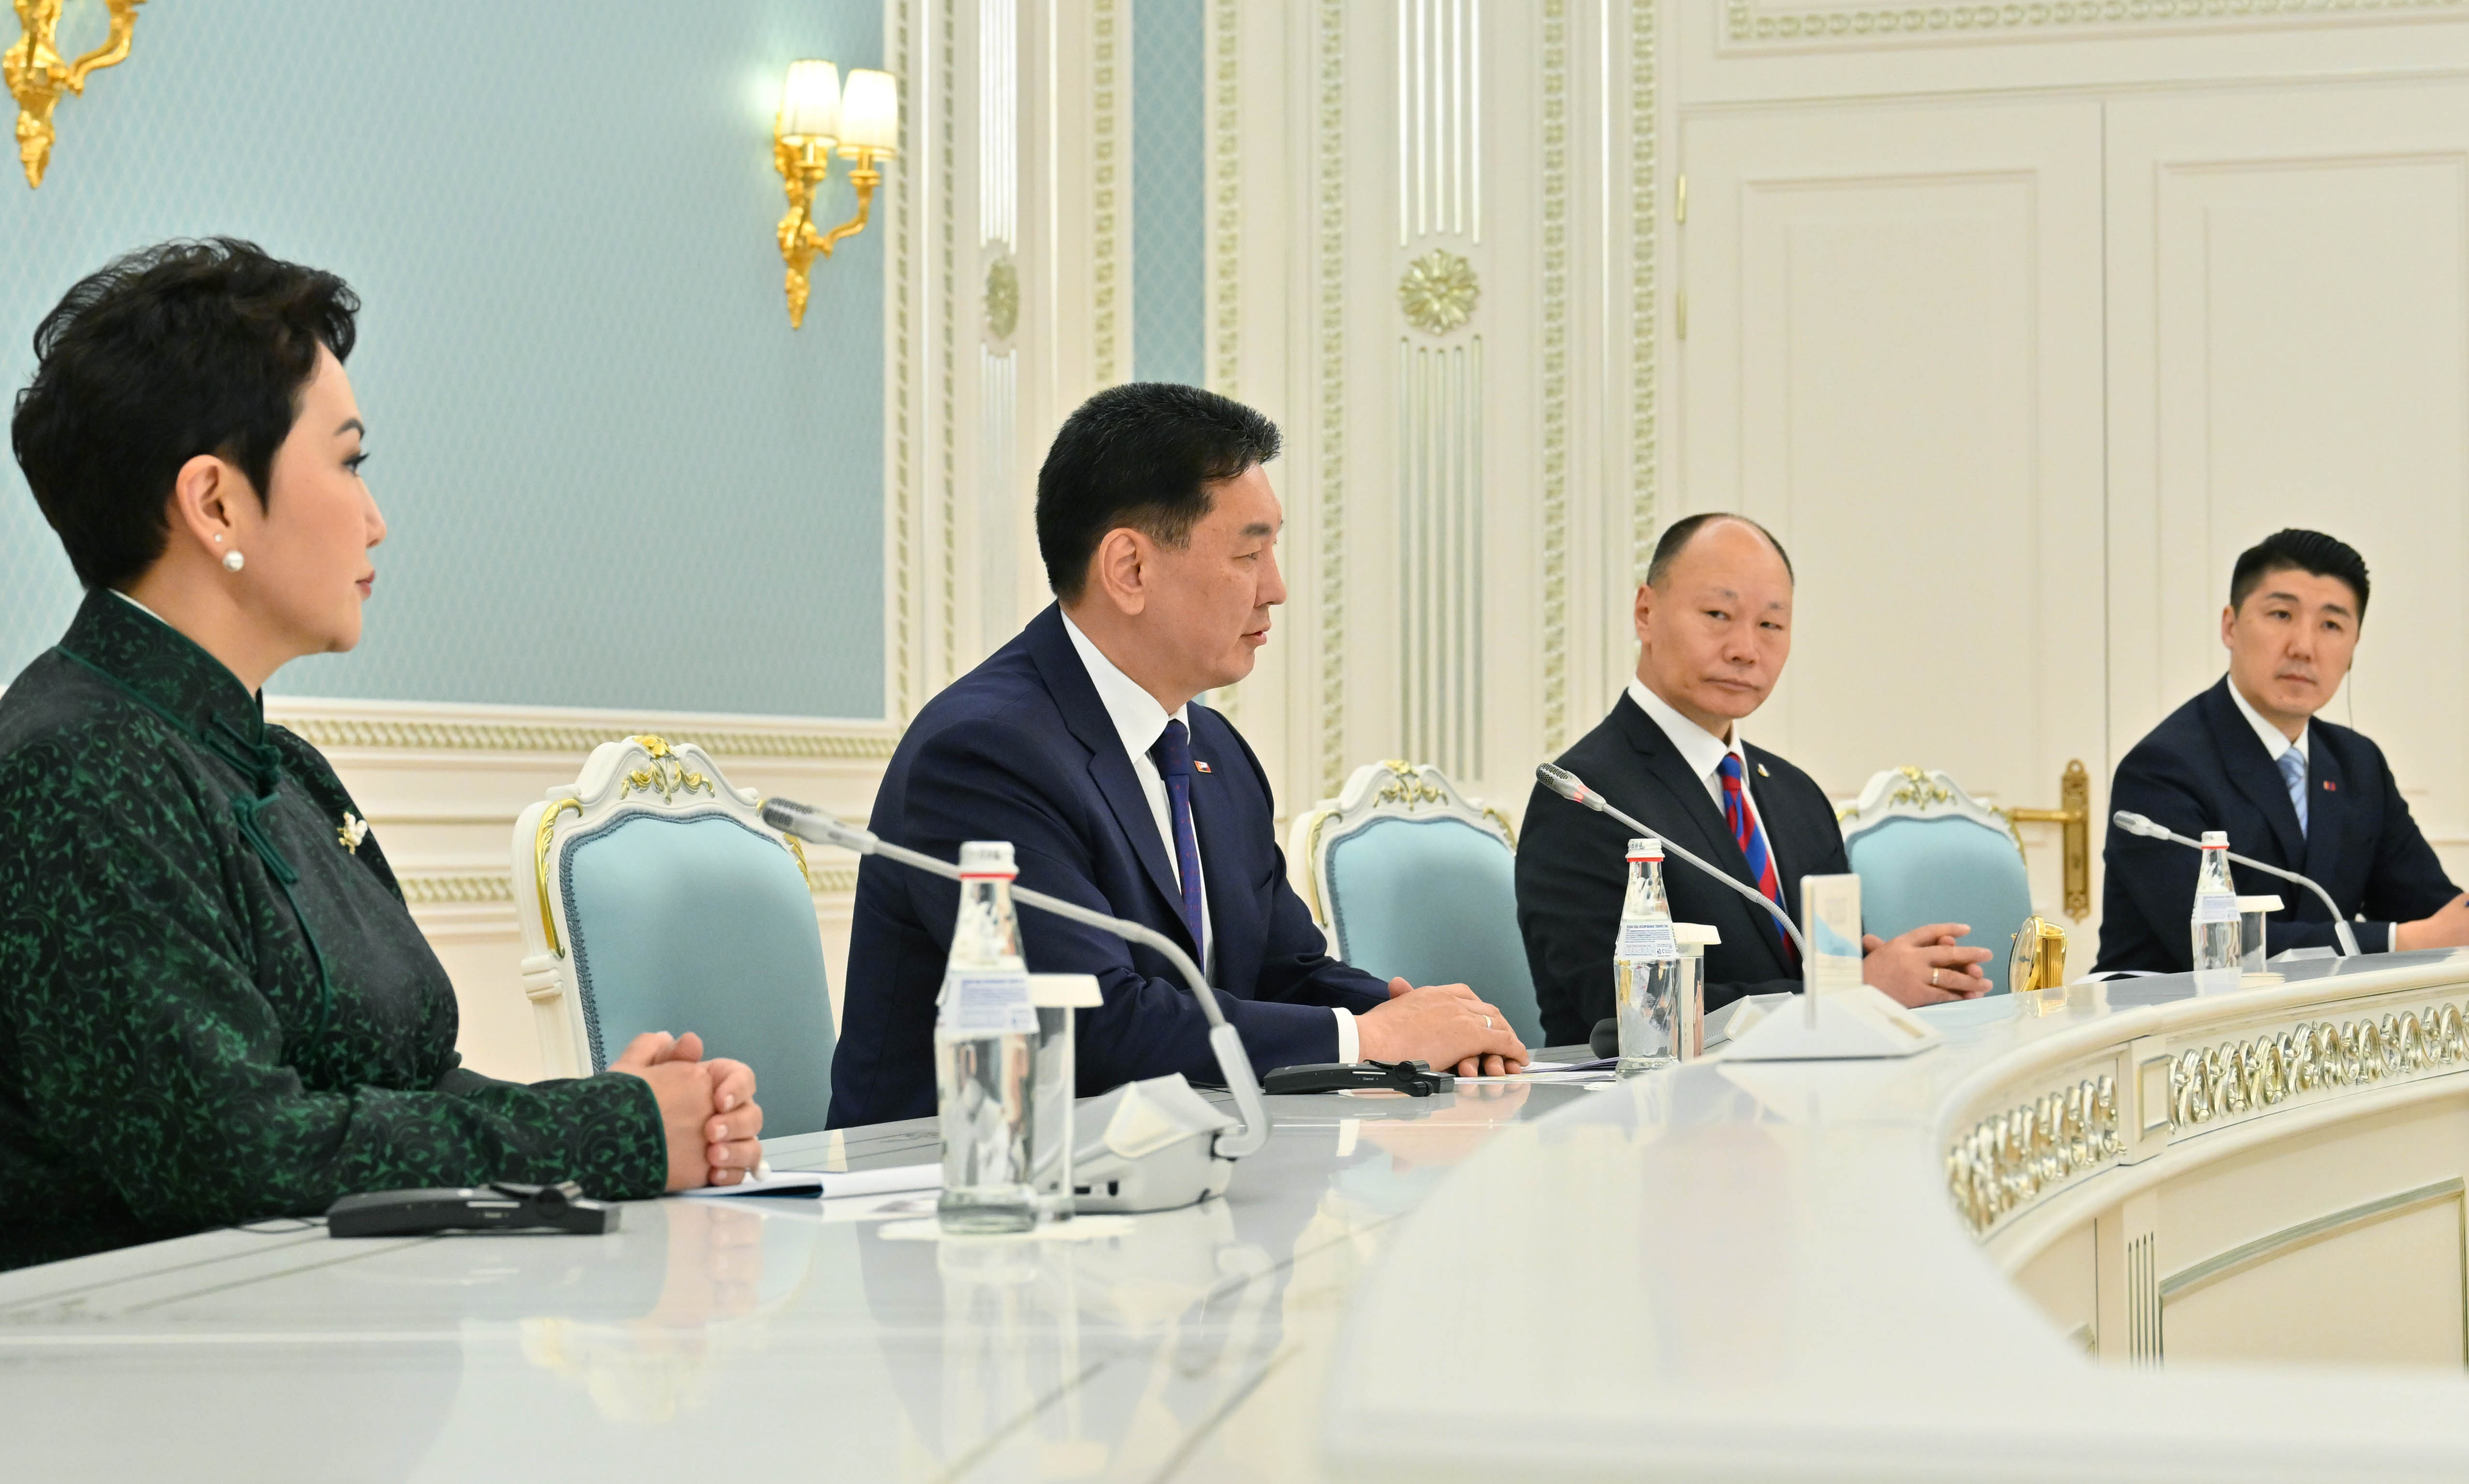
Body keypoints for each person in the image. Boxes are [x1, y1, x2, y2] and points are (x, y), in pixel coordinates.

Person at [0, 240, 764, 1272]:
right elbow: (239, 1154)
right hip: (159, 1355)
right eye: (349, 461)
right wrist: (605, 1133)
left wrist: (624, 1109)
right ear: (216, 503)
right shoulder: (78, 771)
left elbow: (408, 1085)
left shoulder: (288, 769)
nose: (376, 519)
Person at [831, 383, 1527, 1126]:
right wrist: (1371, 1038)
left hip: (1170, 1165)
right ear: (1130, 568)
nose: (1276, 588)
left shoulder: (1213, 751)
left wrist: (1433, 1025)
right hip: (956, 1179)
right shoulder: (982, 754)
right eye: (1249, 553)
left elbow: (1282, 974)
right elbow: (1093, 1025)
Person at [1516, 513, 1992, 1046]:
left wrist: (1899, 976)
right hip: (1653, 1094)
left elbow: (1831, 968)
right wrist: (1851, 992)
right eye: (1717, 615)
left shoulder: (1796, 794)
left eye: (1770, 625)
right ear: (1645, 612)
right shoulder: (1586, 796)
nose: (1745, 649)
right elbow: (1624, 1011)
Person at [2094, 529, 2469, 973]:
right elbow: (2213, 946)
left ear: (2353, 649)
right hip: (2165, 1011)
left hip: (2320, 1014)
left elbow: (2435, 912)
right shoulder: (2162, 769)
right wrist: (2399, 941)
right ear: (2230, 626)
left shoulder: (2358, 764)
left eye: (2331, 625)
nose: (2304, 648)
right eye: (2281, 614)